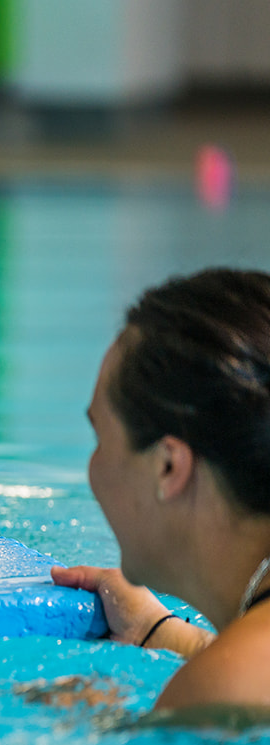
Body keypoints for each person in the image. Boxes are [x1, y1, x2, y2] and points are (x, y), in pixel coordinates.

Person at [51, 267, 270, 714]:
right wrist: (164, 634)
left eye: (101, 439)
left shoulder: (222, 694)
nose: (93, 469)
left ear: (169, 466)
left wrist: (99, 728)